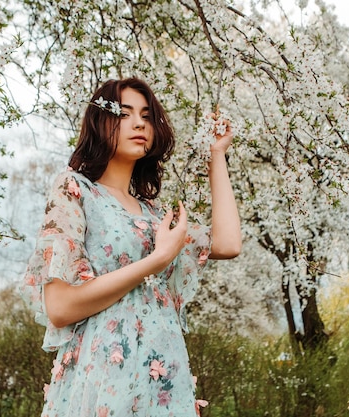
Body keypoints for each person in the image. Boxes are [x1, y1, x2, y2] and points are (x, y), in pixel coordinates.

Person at [22, 77, 241, 416]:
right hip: (104, 379)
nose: (139, 122)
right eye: (125, 114)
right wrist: (156, 261)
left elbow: (228, 243)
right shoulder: (75, 191)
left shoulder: (154, 216)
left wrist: (217, 154)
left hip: (163, 379)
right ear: (101, 122)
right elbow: (61, 307)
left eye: (146, 115)